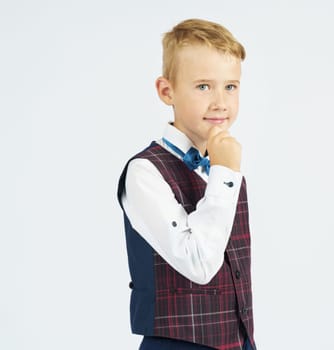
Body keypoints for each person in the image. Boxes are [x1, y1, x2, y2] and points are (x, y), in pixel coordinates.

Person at [117, 18, 256, 350]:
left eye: (231, 86)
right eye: (204, 86)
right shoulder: (144, 172)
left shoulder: (225, 170)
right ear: (167, 91)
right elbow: (199, 263)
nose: (220, 101)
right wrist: (224, 174)